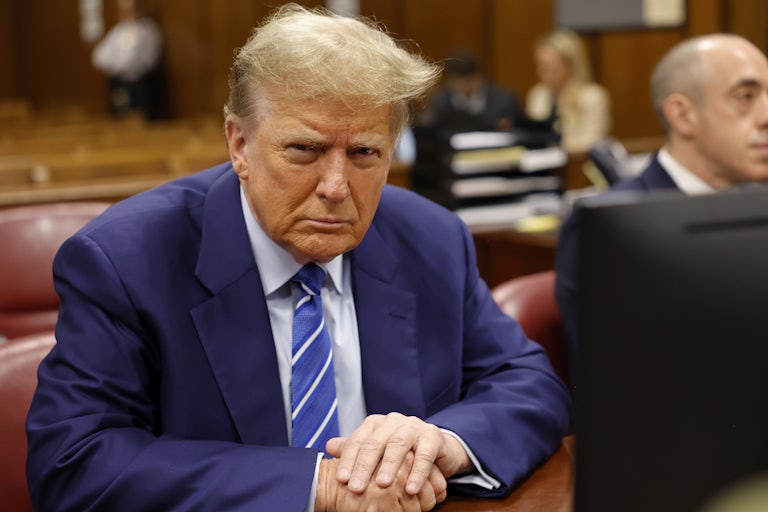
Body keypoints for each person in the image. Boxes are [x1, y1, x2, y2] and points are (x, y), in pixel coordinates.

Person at [26, 4, 571, 511]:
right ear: (239, 145)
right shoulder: (127, 259)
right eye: (304, 150)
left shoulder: (430, 238)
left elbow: (526, 382)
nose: (336, 186)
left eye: (364, 153)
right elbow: (75, 459)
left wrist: (444, 443)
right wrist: (321, 485)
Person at [555, 33, 768, 386]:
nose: (765, 115)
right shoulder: (611, 224)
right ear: (683, 116)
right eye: (745, 97)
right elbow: (628, 381)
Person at [525, 29, 612, 153]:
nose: (542, 72)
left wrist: (553, 145)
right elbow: (533, 135)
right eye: (540, 65)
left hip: (577, 166)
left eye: (551, 66)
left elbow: (592, 142)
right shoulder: (538, 94)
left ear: (570, 65)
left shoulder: (593, 96)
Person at [91, 0, 167, 120]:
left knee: (142, 122)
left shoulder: (148, 29)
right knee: (120, 119)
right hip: (120, 83)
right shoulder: (119, 31)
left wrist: (115, 61)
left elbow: (131, 60)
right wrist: (116, 63)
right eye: (124, 11)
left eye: (131, 9)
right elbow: (99, 56)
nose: (128, 14)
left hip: (141, 85)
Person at [424, 47, 525, 133]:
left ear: (480, 76)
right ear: (450, 82)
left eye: (470, 81)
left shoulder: (505, 100)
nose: (466, 88)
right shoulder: (440, 101)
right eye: (460, 83)